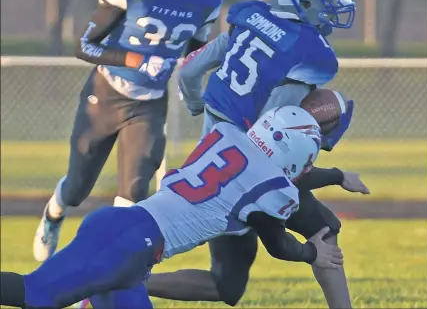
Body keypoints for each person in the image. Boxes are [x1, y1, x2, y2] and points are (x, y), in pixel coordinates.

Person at [147, 0, 360, 308]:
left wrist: (198, 105)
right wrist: (332, 167)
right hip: (250, 169)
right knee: (324, 228)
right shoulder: (311, 53)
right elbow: (275, 141)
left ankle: (119, 282)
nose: (332, 6)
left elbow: (187, 72)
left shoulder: (250, 18)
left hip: (212, 163)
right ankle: (123, 282)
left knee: (226, 284)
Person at [1, 106, 346, 309]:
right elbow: (279, 244)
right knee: (38, 294)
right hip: (128, 244)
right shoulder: (270, 188)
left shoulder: (225, 135)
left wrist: (336, 177)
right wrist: (311, 254)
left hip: (130, 247)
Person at [33, 0, 223, 263]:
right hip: (106, 94)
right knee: (77, 187)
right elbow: (85, 46)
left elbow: (195, 50)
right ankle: (54, 212)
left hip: (149, 104)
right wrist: (136, 61)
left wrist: (189, 75)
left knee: (134, 193)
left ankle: (103, 268)